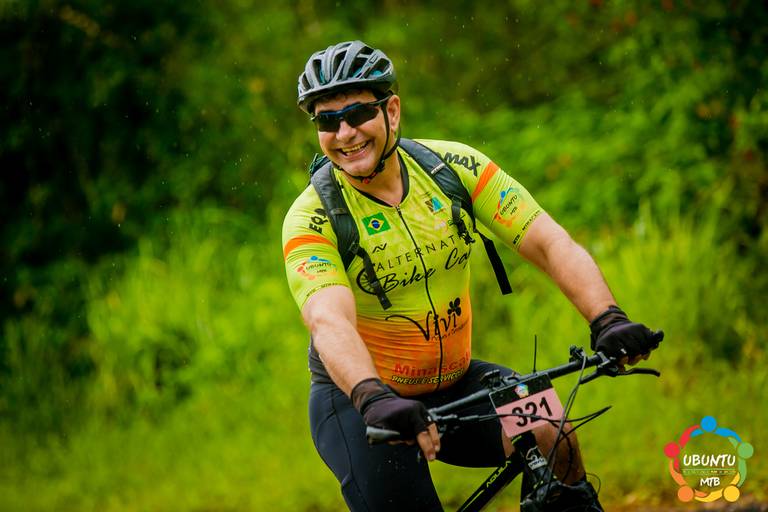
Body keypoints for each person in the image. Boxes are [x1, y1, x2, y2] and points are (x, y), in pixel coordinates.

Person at [282, 40, 662, 511]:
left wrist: (607, 317)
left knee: (552, 429)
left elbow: (549, 242)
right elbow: (328, 321)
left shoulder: (451, 168)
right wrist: (370, 395)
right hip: (362, 401)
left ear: (392, 111)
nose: (344, 133)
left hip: (458, 382)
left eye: (358, 113)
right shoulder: (313, 216)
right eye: (327, 121)